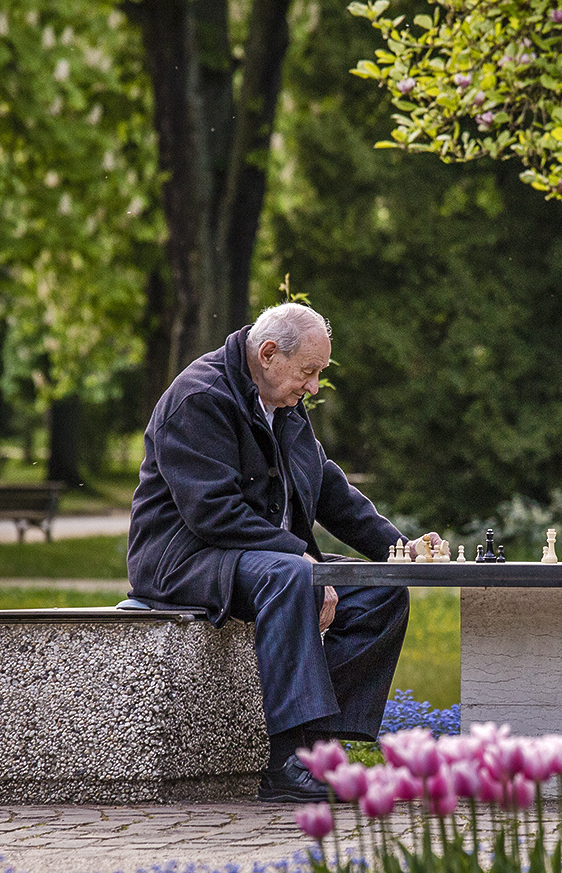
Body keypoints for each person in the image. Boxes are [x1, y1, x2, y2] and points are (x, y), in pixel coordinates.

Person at [128, 302, 435, 802]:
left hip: (258, 557)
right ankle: (284, 762)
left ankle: (322, 751)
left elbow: (330, 490)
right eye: (308, 372)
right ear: (268, 354)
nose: (314, 387)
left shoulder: (284, 405)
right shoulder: (198, 398)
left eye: (318, 374)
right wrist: (302, 558)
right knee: (292, 575)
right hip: (183, 560)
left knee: (379, 590)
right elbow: (214, 514)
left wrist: (400, 549)